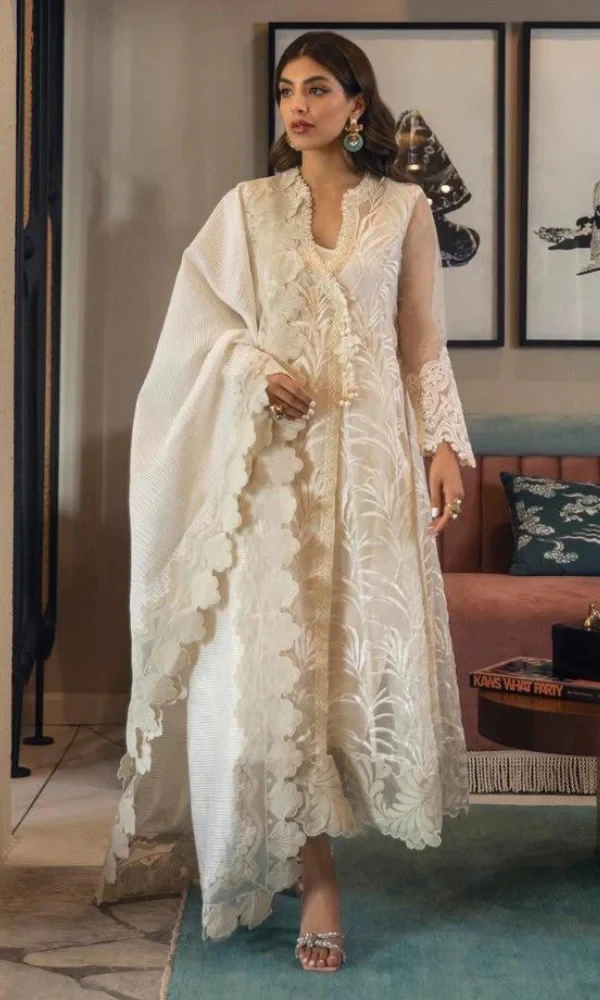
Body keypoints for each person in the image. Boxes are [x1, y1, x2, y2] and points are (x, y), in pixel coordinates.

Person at [95, 30, 476, 973]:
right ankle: (314, 877)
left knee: (350, 669)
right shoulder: (248, 209)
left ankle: (322, 846)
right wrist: (254, 368)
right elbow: (200, 333)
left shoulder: (403, 209)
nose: (297, 105)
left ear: (356, 104)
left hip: (371, 471)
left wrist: (443, 447)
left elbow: (420, 341)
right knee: (273, 672)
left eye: (317, 89)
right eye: (285, 90)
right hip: (269, 472)